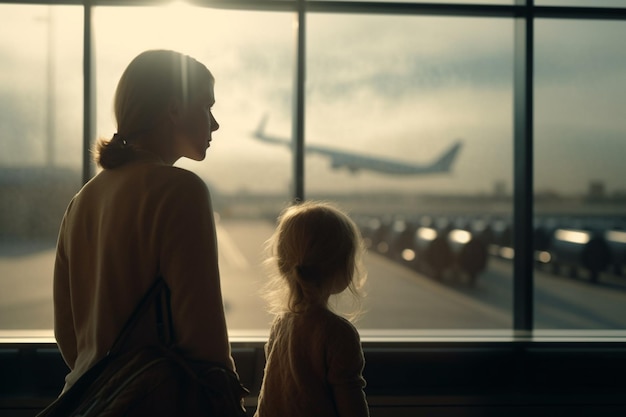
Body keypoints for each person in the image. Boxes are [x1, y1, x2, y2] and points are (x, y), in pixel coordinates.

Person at [53, 50, 237, 397]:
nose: (214, 123)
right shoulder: (182, 191)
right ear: (173, 109)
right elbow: (204, 340)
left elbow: (69, 336)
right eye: (206, 106)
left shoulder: (82, 201)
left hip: (86, 399)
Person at [255, 200, 370, 417]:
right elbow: (351, 404)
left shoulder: (281, 324)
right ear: (342, 268)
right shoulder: (338, 333)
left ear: (282, 266)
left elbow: (270, 396)